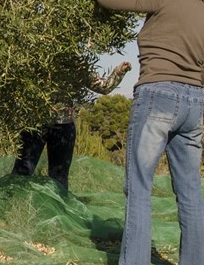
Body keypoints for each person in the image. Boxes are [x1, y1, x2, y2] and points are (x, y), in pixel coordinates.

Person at [96, 0, 204, 265]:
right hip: (193, 103)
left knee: (139, 184)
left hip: (156, 96)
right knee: (190, 190)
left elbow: (109, 0)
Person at [12, 62, 131, 191]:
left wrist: (119, 72)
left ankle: (58, 209)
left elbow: (104, 87)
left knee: (59, 180)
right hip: (35, 125)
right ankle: (11, 207)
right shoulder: (36, 59)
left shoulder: (75, 64)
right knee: (22, 172)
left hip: (64, 127)